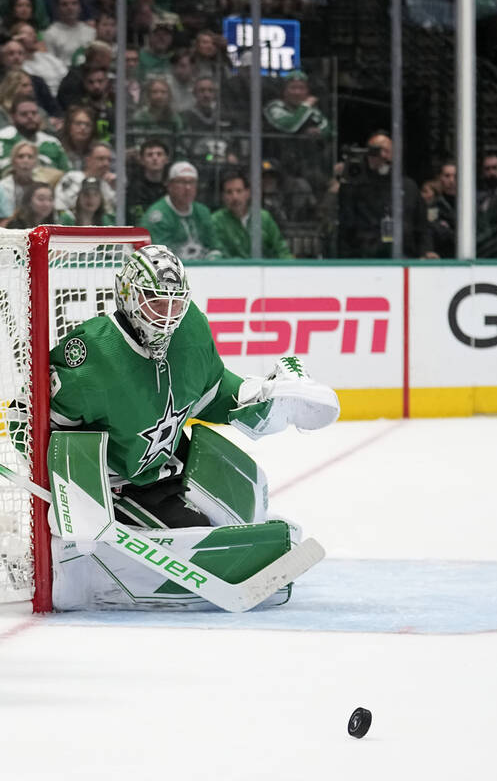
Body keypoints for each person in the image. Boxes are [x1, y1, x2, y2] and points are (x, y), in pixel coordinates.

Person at [44, 245, 339, 610]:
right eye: (155, 303)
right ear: (128, 297)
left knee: (246, 512)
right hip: (122, 486)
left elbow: (211, 392)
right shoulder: (92, 354)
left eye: (176, 304)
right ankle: (96, 574)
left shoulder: (191, 327)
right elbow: (46, 430)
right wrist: (80, 507)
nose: (168, 317)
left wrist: (258, 396)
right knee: (205, 532)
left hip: (173, 462)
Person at [336, 131, 430, 259]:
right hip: (365, 258)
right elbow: (345, 228)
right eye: (376, 151)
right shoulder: (354, 186)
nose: (383, 156)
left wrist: (426, 252)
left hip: (404, 257)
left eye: (387, 151)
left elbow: (422, 227)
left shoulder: (408, 186)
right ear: (367, 154)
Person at [142, 161, 219, 260]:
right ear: (169, 185)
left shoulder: (203, 212)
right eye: (181, 182)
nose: (188, 187)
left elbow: (215, 247)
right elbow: (159, 258)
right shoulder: (158, 216)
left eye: (191, 182)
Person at [210, 172, 291, 259]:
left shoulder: (263, 217)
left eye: (239, 191)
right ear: (223, 196)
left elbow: (281, 250)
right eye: (229, 192)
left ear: (247, 193)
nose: (235, 197)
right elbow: (217, 253)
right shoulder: (216, 221)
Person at [0, 94, 68, 173]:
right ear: (13, 117)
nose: (30, 117)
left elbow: (67, 172)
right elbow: (6, 170)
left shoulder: (52, 142)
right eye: (24, 114)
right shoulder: (3, 138)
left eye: (34, 113)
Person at [55, 141, 115, 214]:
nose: (106, 163)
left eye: (109, 160)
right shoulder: (72, 178)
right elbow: (60, 207)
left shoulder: (109, 184)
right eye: (101, 159)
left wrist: (115, 188)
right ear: (88, 160)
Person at [423, 160, 457, 259]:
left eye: (455, 176)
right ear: (440, 178)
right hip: (442, 260)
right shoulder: (433, 207)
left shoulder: (469, 206)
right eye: (447, 176)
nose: (452, 180)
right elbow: (430, 231)